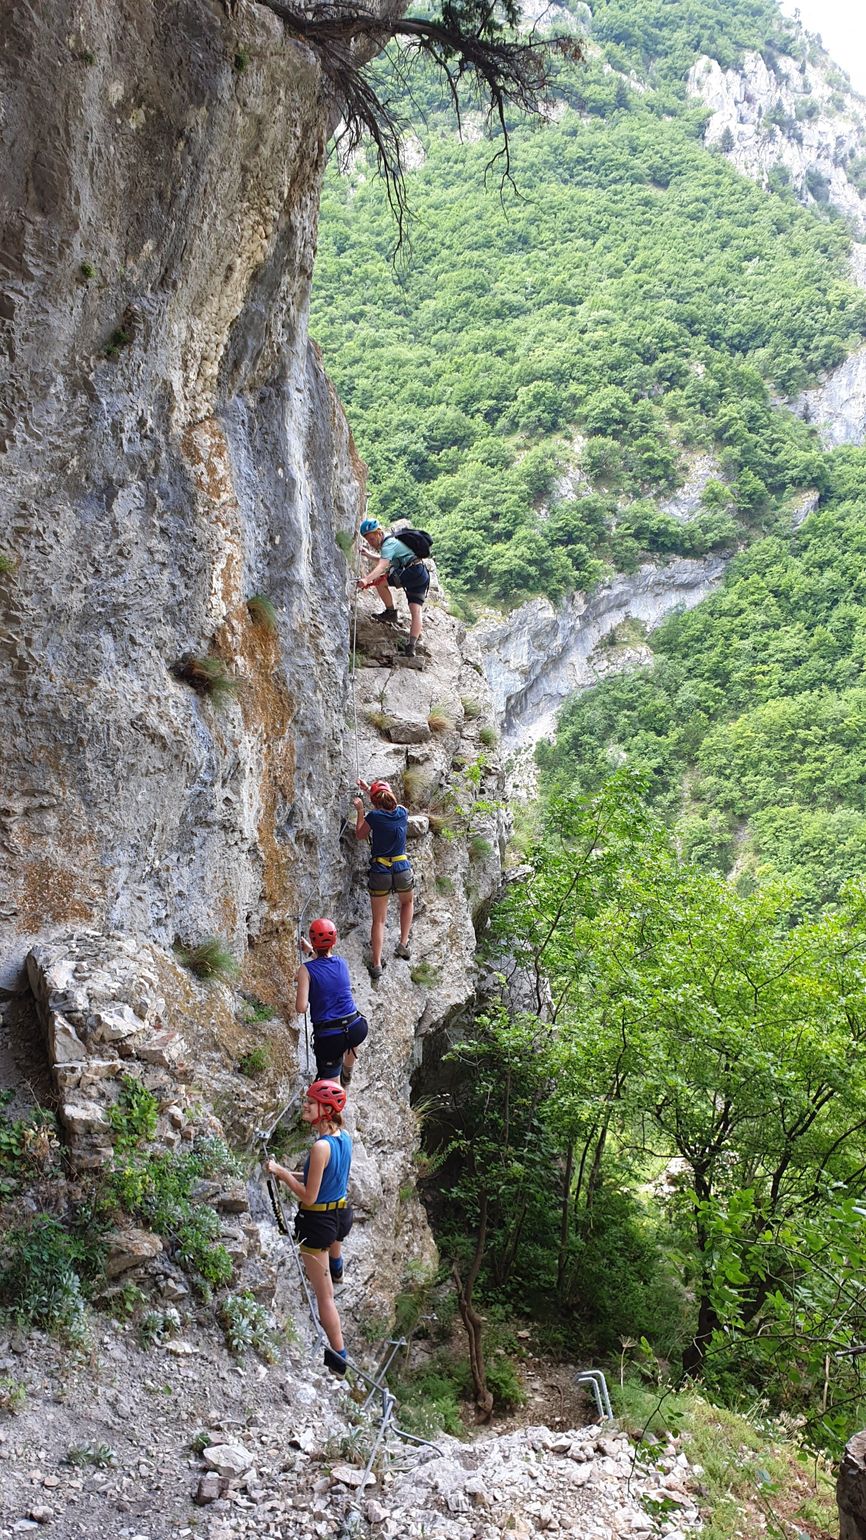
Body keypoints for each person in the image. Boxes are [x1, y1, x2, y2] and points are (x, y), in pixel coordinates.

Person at [265, 1080, 353, 1376]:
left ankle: (338, 1357)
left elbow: (308, 1194)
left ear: (326, 1110)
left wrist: (280, 1174)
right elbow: (320, 1177)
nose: (305, 1106)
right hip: (341, 1213)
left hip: (317, 1225)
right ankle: (337, 1265)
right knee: (335, 1248)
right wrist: (286, 1172)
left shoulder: (319, 1147)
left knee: (324, 1295)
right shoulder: (345, 1138)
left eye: (311, 1103)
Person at [297, 918, 368, 1088]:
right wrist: (310, 952)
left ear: (313, 941)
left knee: (332, 1086)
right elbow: (325, 964)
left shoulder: (305, 970)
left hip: (330, 1038)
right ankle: (347, 1072)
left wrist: (304, 985)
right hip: (356, 1027)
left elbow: (301, 1007)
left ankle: (336, 1109)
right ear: (334, 941)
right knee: (351, 1039)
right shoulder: (342, 963)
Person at [353, 777, 413, 979]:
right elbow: (384, 802)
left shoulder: (374, 817)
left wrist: (361, 810)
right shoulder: (403, 812)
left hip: (381, 870)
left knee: (379, 920)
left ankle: (376, 964)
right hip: (402, 867)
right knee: (407, 902)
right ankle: (403, 944)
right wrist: (370, 789)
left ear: (374, 802)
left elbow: (360, 835)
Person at [357, 517, 430, 658]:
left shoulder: (388, 544)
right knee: (416, 611)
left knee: (380, 581)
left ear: (379, 533)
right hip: (421, 574)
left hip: (411, 572)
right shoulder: (391, 544)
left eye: (371, 539)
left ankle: (390, 612)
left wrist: (366, 580)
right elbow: (385, 558)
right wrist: (368, 554)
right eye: (368, 540)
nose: (370, 543)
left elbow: (383, 565)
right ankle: (411, 647)